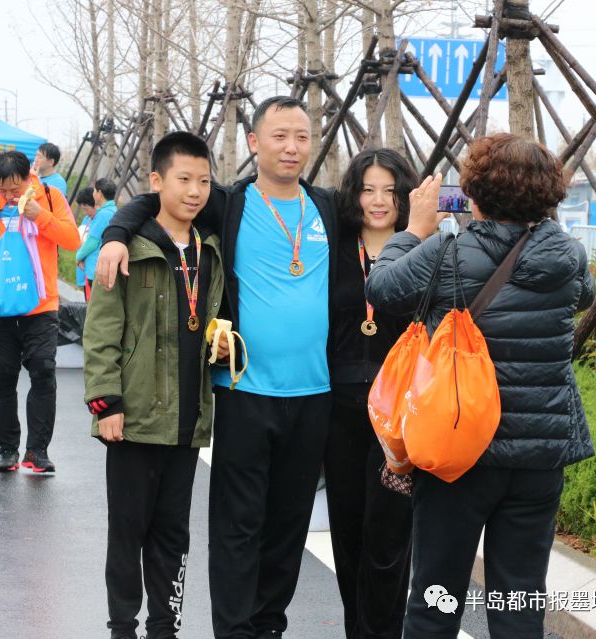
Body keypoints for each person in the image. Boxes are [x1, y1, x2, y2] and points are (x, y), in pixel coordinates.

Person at [98, 96, 337, 639]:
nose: (292, 146)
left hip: (314, 393)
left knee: (288, 525)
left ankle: (268, 625)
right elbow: (151, 201)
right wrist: (114, 237)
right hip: (244, 392)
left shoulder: (326, 207)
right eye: (279, 135)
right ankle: (232, 630)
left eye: (301, 135)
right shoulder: (227, 204)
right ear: (254, 143)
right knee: (238, 525)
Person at [365, 134, 596, 639]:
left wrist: (412, 231)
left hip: (459, 450)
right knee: (519, 601)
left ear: (473, 193)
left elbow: (380, 289)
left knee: (435, 599)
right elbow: (584, 297)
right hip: (539, 456)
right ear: (548, 195)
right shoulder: (570, 256)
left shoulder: (447, 254)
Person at [84, 131, 223, 639]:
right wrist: (106, 404)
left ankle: (166, 627)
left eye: (204, 181)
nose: (194, 191)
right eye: (183, 179)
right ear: (156, 181)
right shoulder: (127, 249)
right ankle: (122, 626)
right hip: (133, 417)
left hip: (187, 420)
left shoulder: (210, 248)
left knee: (173, 534)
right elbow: (100, 332)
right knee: (127, 532)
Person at [327, 149, 417, 639]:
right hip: (339, 407)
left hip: (399, 415)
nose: (378, 201)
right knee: (347, 530)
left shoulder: (420, 247)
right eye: (367, 189)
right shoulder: (335, 244)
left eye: (389, 190)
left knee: (389, 535)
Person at [0, 150, 80, 473]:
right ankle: (8, 448)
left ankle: (37, 450)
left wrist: (40, 215)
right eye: (3, 189)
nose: (9, 196)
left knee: (42, 370)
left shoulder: (51, 197)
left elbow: (71, 240)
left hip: (41, 305)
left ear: (28, 177)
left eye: (14, 188)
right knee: (3, 376)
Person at [76, 179, 116, 301]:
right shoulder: (113, 211)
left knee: (92, 307)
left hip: (94, 269)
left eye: (94, 190)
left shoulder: (103, 214)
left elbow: (92, 242)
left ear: (99, 193)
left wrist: (78, 257)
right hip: (101, 268)